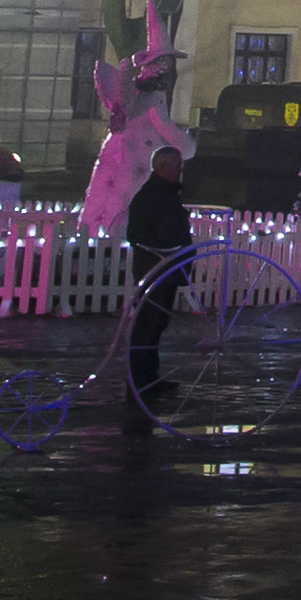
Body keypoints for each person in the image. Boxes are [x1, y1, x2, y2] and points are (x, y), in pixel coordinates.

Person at [123, 141, 194, 418]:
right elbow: (137, 234)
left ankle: (149, 377)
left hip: (167, 269)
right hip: (155, 270)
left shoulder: (165, 194)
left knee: (157, 325)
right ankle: (140, 379)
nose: (180, 170)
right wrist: (166, 250)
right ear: (163, 168)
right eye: (177, 165)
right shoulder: (150, 196)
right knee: (147, 324)